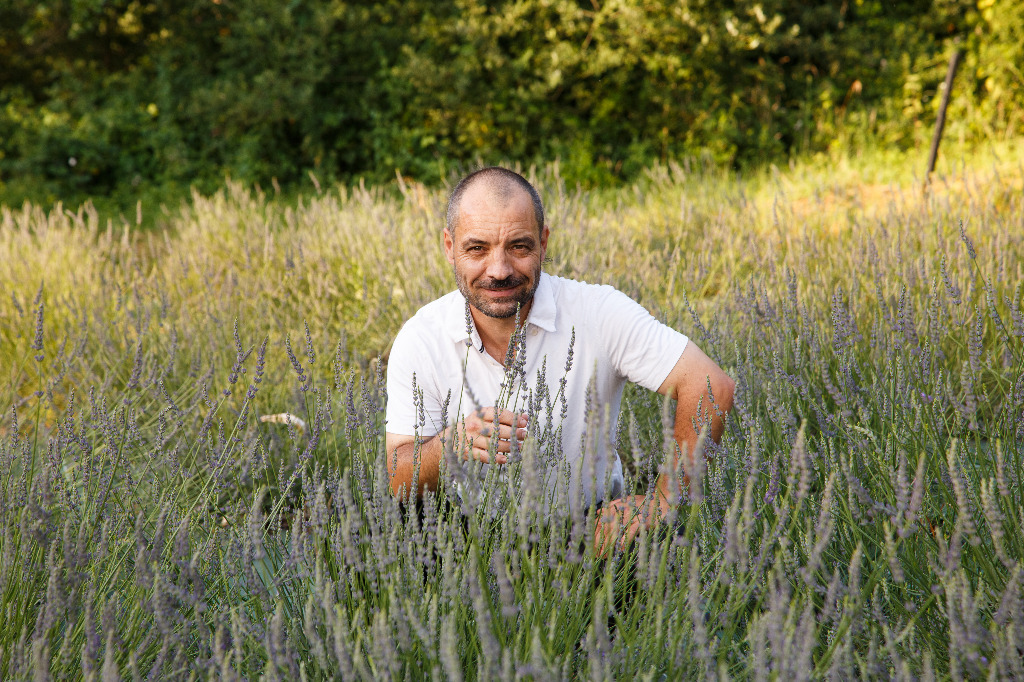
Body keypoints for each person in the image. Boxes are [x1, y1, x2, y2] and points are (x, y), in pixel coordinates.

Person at [384, 166, 734, 550]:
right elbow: (398, 476)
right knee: (379, 532)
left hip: (591, 530)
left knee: (662, 547)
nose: (499, 270)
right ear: (450, 247)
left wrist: (663, 501)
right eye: (477, 248)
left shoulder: (599, 311)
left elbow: (710, 384)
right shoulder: (421, 337)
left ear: (544, 242)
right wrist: (450, 446)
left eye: (519, 246)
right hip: (467, 536)